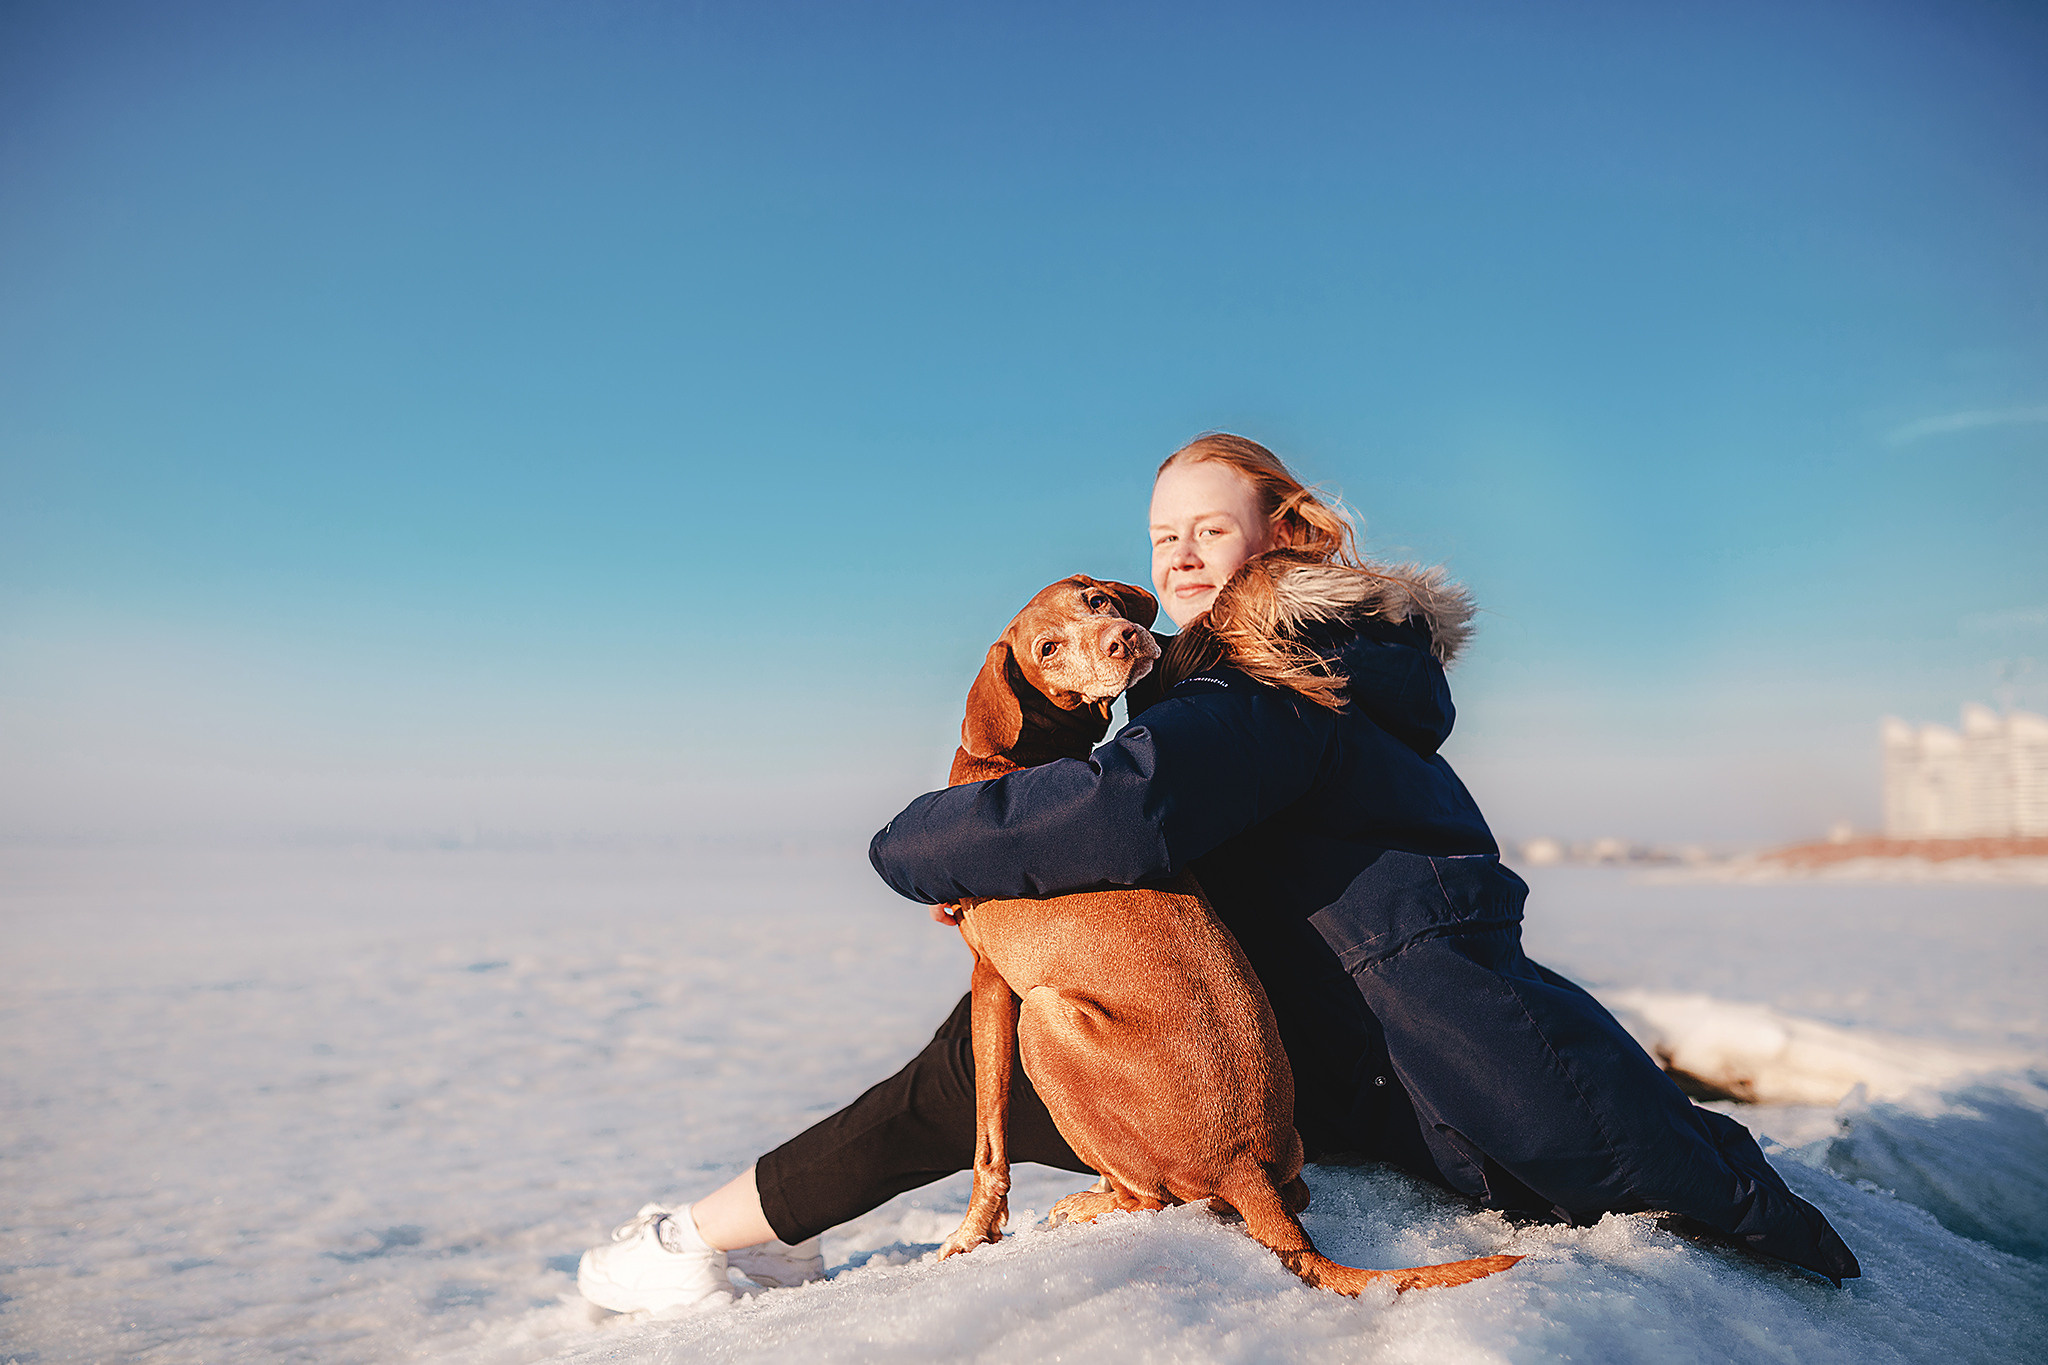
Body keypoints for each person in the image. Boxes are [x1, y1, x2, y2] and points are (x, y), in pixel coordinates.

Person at [577, 434, 1858, 1315]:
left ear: (1278, 536)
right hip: (1359, 1049)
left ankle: (691, 1244)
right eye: (1161, 536)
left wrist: (918, 841)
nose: (1180, 557)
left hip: (1431, 1072)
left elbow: (1126, 811)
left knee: (970, 1065)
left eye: (1209, 530)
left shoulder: (1273, 679)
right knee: (981, 1054)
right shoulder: (1301, 668)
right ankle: (730, 1234)